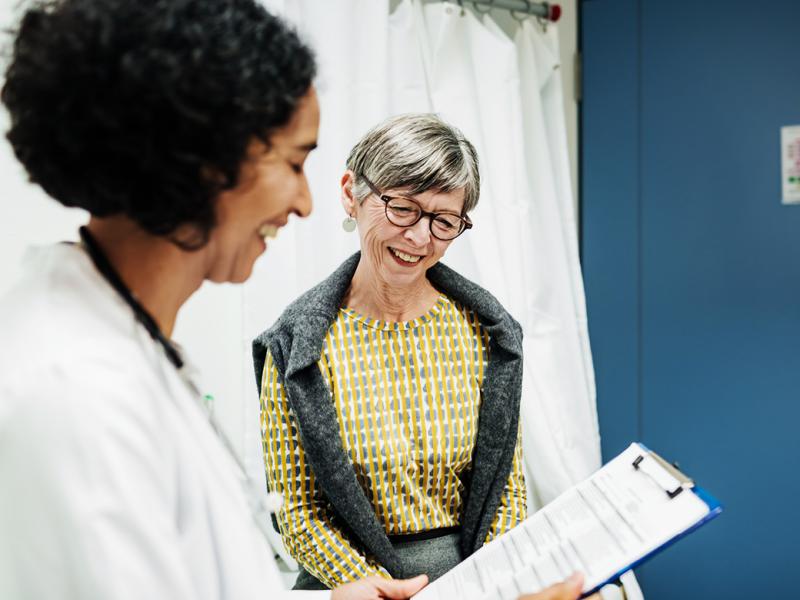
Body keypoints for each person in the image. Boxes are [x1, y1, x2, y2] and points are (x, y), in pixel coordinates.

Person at [0, 1, 596, 599]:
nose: (305, 202)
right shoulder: (77, 386)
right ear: (202, 161)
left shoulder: (120, 347)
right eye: (293, 161)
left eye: (443, 220)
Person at [254, 113, 530, 590]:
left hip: (470, 583)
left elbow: (507, 491)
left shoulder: (488, 333)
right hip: (352, 586)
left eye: (444, 221)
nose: (420, 238)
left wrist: (487, 584)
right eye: (403, 208)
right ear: (351, 194)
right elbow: (298, 513)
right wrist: (377, 587)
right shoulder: (297, 346)